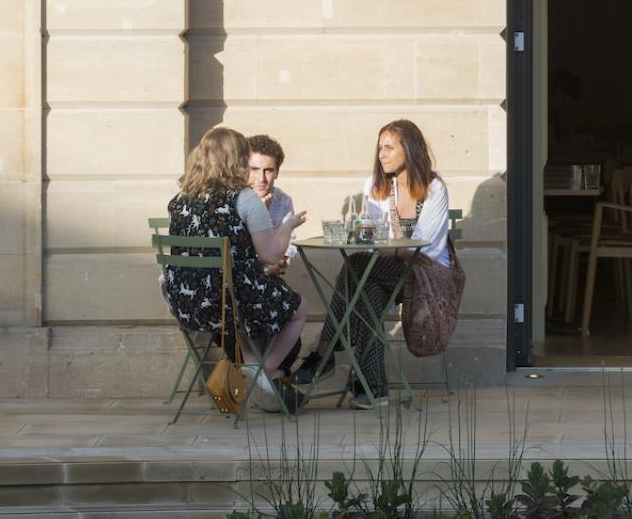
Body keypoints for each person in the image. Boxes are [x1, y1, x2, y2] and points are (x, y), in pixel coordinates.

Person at [291, 119, 450, 407]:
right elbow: (380, 241)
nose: (382, 154)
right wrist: (392, 249)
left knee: (356, 266)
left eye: (389, 147)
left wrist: (390, 249)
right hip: (384, 270)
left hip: (424, 275)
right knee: (367, 293)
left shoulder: (433, 188)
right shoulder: (376, 186)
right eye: (380, 148)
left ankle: (323, 354)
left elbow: (423, 248)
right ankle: (374, 390)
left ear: (410, 149)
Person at [161, 126, 308, 414]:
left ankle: (253, 368)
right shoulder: (244, 199)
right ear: (235, 159)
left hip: (187, 302)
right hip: (232, 301)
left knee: (237, 313)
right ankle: (262, 373)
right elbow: (272, 253)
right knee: (299, 307)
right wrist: (288, 226)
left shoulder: (180, 200)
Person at [245, 134, 297, 277]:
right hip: (238, 280)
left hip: (270, 278)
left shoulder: (283, 201)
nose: (261, 179)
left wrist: (281, 261)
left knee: (299, 300)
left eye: (268, 170)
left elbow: (290, 243)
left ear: (277, 173)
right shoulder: (234, 199)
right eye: (254, 169)